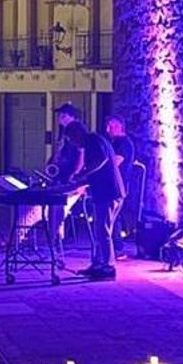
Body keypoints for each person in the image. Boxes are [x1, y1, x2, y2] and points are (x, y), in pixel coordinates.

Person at [67, 120, 125, 281]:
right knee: (99, 230)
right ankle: (98, 263)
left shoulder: (93, 141)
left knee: (102, 229)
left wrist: (82, 176)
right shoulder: (94, 140)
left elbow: (100, 161)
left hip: (109, 192)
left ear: (76, 135)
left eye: (72, 139)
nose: (73, 144)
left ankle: (108, 266)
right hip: (105, 191)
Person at [105, 115, 141, 249]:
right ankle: (115, 246)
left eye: (112, 126)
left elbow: (115, 162)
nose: (108, 130)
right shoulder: (116, 142)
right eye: (108, 126)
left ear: (120, 126)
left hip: (118, 184)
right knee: (114, 216)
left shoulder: (123, 143)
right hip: (115, 183)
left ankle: (116, 247)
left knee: (113, 216)